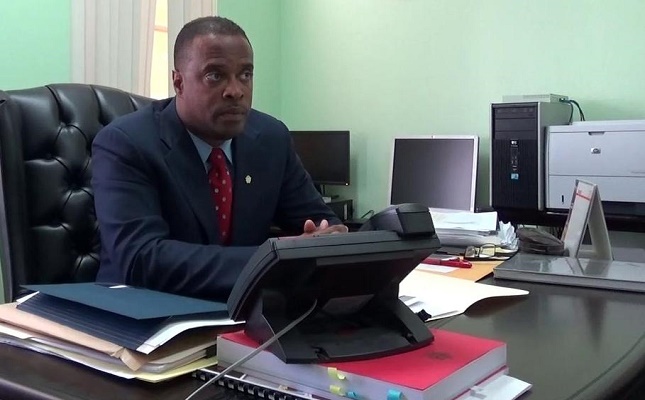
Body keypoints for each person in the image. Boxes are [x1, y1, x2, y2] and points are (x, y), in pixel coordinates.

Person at [91, 16, 347, 302]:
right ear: (178, 82)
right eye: (215, 75)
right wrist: (272, 258)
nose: (235, 91)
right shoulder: (126, 143)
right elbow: (141, 259)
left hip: (243, 309)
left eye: (245, 75)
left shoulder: (271, 138)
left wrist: (327, 238)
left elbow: (321, 221)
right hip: (141, 308)